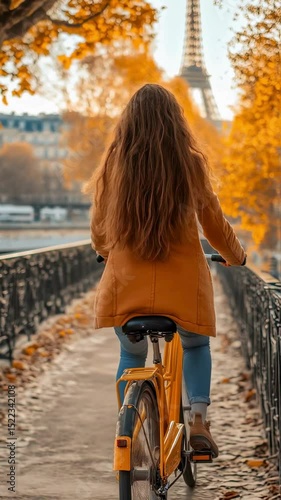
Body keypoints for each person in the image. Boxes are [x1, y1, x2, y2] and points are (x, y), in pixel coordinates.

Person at [86, 83, 246, 458]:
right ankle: (199, 420)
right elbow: (214, 225)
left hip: (126, 288)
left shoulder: (114, 163)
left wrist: (104, 251)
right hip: (182, 288)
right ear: (176, 123)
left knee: (130, 356)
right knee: (195, 344)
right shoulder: (190, 163)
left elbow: (99, 225)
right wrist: (237, 257)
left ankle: (130, 424)